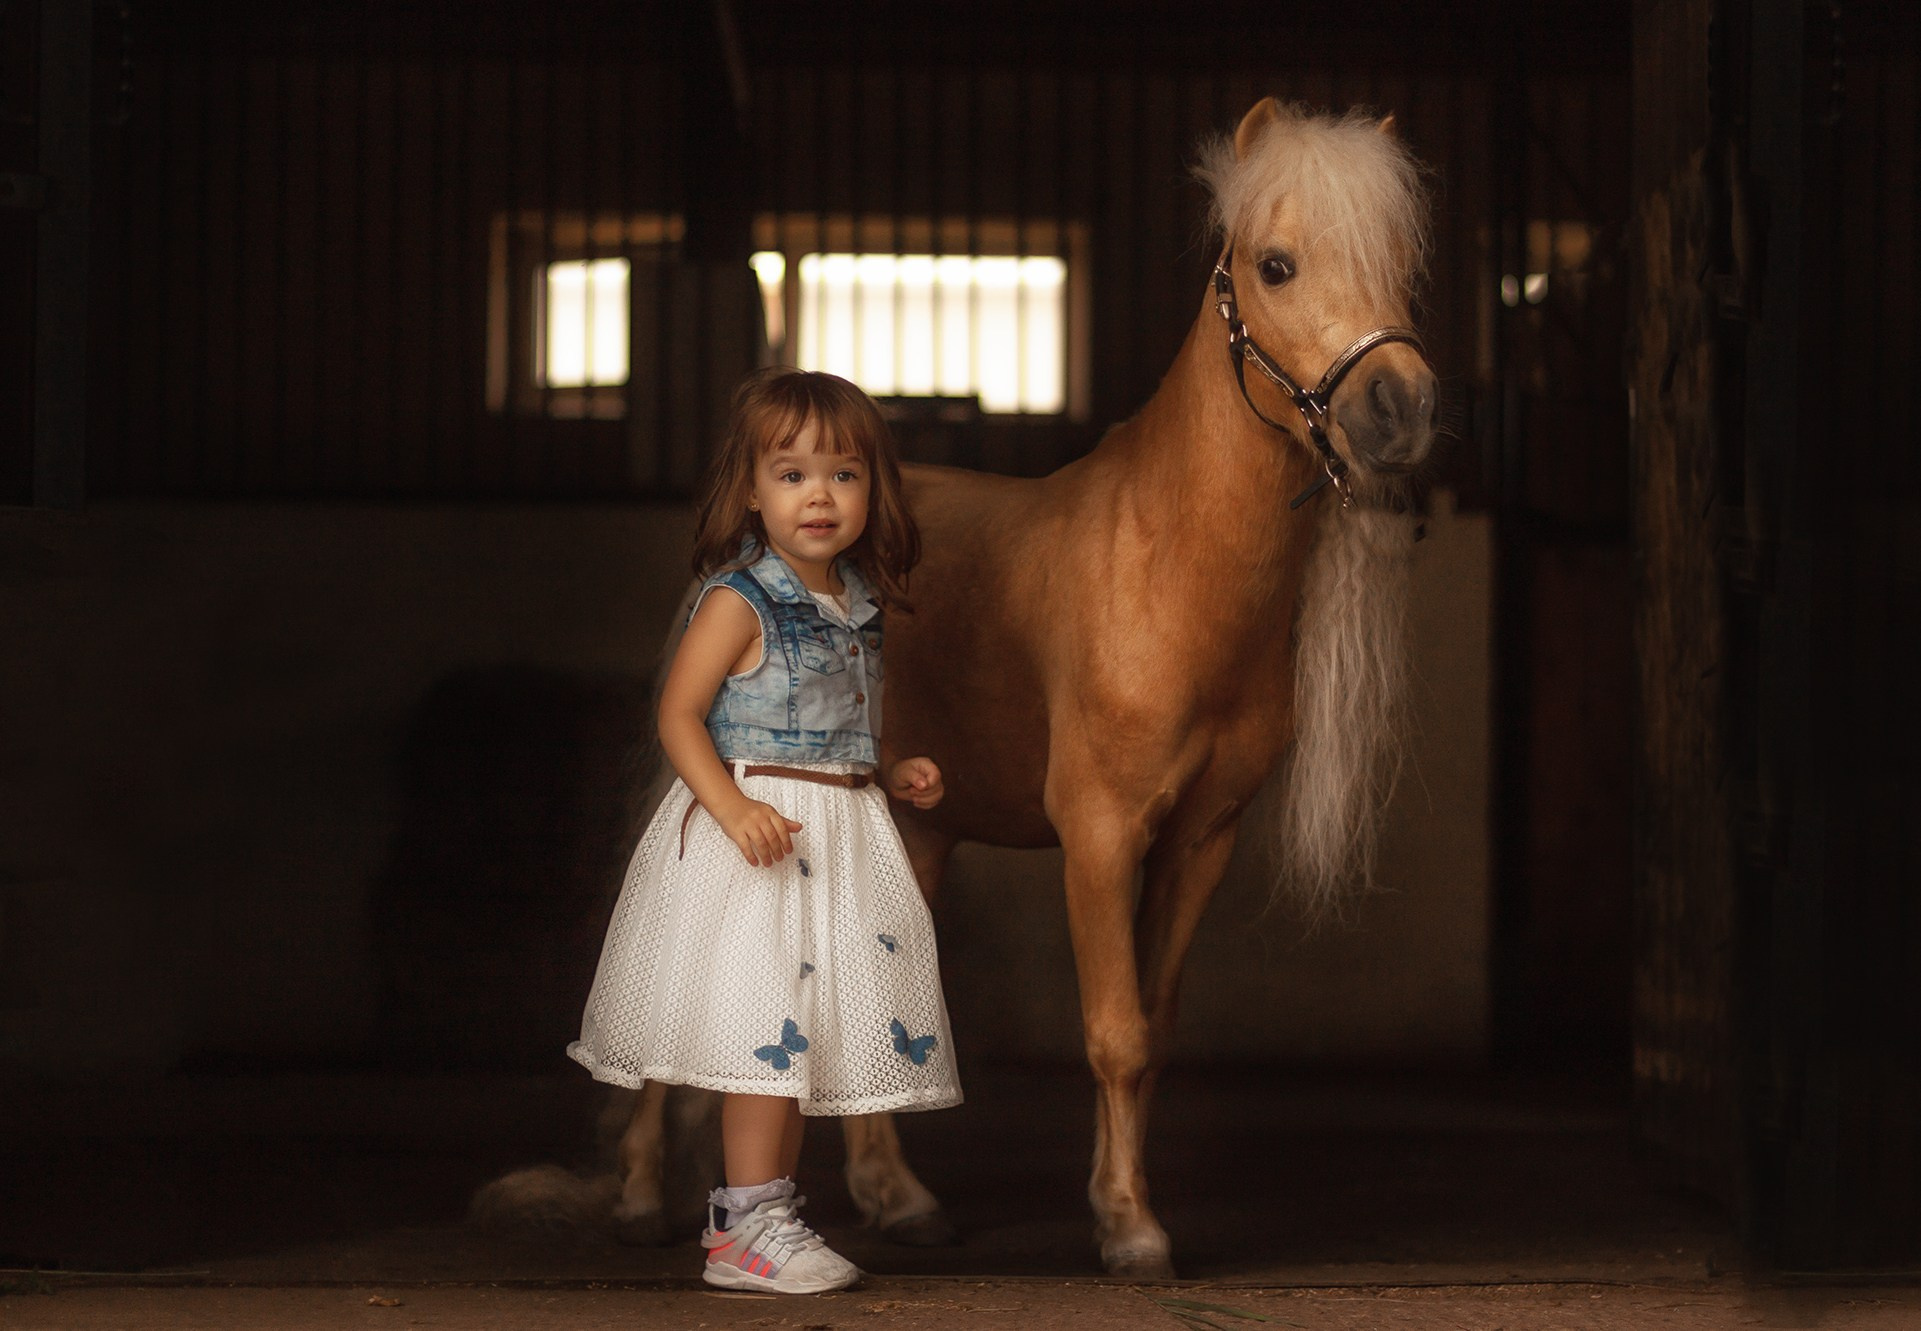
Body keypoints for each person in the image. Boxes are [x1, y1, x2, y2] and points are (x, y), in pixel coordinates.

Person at [568, 367, 961, 1294]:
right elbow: (678, 714)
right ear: (751, 490)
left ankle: (767, 1213)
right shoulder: (737, 599)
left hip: (835, 835)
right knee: (763, 1037)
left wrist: (891, 767)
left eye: (843, 475)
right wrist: (731, 805)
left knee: (803, 1042)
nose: (818, 495)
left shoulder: (861, 603)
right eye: (790, 474)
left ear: (875, 490)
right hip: (761, 837)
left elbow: (844, 719)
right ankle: (745, 1224)